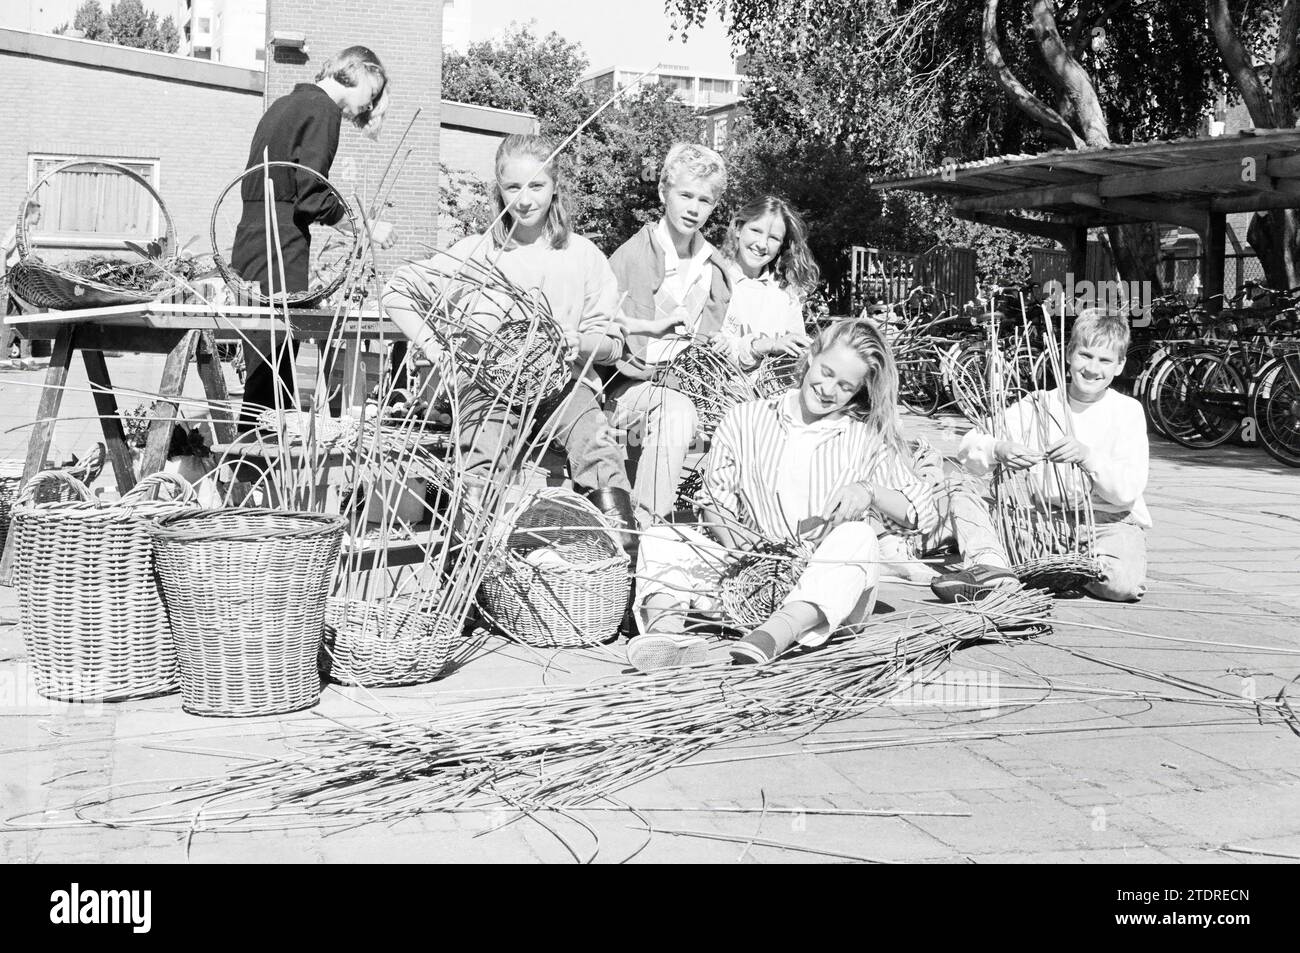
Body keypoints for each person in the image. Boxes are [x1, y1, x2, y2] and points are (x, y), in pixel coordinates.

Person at [626, 319, 939, 671]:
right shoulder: (746, 418)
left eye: (845, 385)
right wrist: (745, 550)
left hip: (823, 588)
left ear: (859, 391)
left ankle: (774, 634)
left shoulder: (864, 438)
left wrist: (868, 492)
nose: (827, 389)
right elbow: (716, 498)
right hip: (749, 582)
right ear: (811, 357)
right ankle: (667, 636)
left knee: (859, 537)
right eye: (826, 371)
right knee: (661, 537)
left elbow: (919, 513)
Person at [381, 134, 637, 543]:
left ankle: (619, 568)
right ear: (498, 189)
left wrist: (581, 343)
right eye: (513, 186)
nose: (524, 199)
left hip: (562, 387)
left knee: (599, 446)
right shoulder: (476, 252)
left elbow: (615, 344)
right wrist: (439, 354)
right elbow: (396, 290)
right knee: (482, 456)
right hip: (488, 390)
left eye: (536, 185)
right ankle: (468, 578)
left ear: (555, 187)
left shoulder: (582, 255)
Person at [232, 45, 396, 428]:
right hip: (280, 240)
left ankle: (249, 471)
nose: (364, 109)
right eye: (370, 97)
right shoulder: (324, 110)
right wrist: (366, 228)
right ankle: (261, 474)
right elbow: (311, 196)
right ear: (359, 72)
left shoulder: (283, 106)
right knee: (275, 369)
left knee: (263, 363)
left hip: (250, 239)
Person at [936, 309, 1149, 601]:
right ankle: (993, 567)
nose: (1092, 368)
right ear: (1069, 353)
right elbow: (969, 445)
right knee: (960, 490)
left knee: (1122, 584)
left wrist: (1088, 457)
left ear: (1120, 365)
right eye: (1085, 355)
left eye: (1105, 360)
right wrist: (999, 449)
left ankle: (1055, 572)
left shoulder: (1127, 411)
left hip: (1106, 524)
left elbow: (1126, 492)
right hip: (1041, 521)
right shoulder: (1039, 403)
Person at [605, 143, 733, 524]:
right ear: (664, 192)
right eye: (685, 195)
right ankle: (648, 526)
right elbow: (610, 345)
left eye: (705, 200)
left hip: (686, 384)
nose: (693, 208)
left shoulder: (713, 265)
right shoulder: (630, 258)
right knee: (677, 413)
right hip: (624, 390)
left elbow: (706, 340)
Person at [712, 195, 814, 380]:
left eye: (774, 238)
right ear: (738, 228)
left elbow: (796, 359)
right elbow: (711, 352)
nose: (761, 244)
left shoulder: (786, 292)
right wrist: (764, 346)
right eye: (756, 230)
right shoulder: (714, 279)